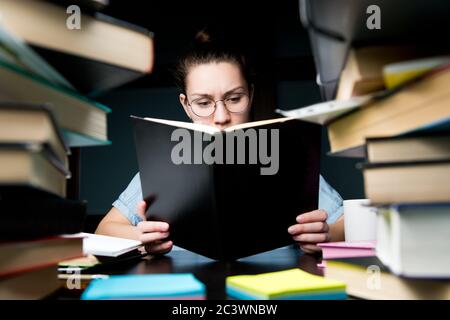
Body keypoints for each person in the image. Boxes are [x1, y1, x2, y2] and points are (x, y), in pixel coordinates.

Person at [96, 31, 345, 255]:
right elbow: (104, 229)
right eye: (203, 103)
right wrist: (141, 237)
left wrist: (327, 234)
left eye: (235, 99)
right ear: (186, 105)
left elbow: (346, 223)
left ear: (252, 94)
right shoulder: (161, 169)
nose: (221, 117)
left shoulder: (287, 162)